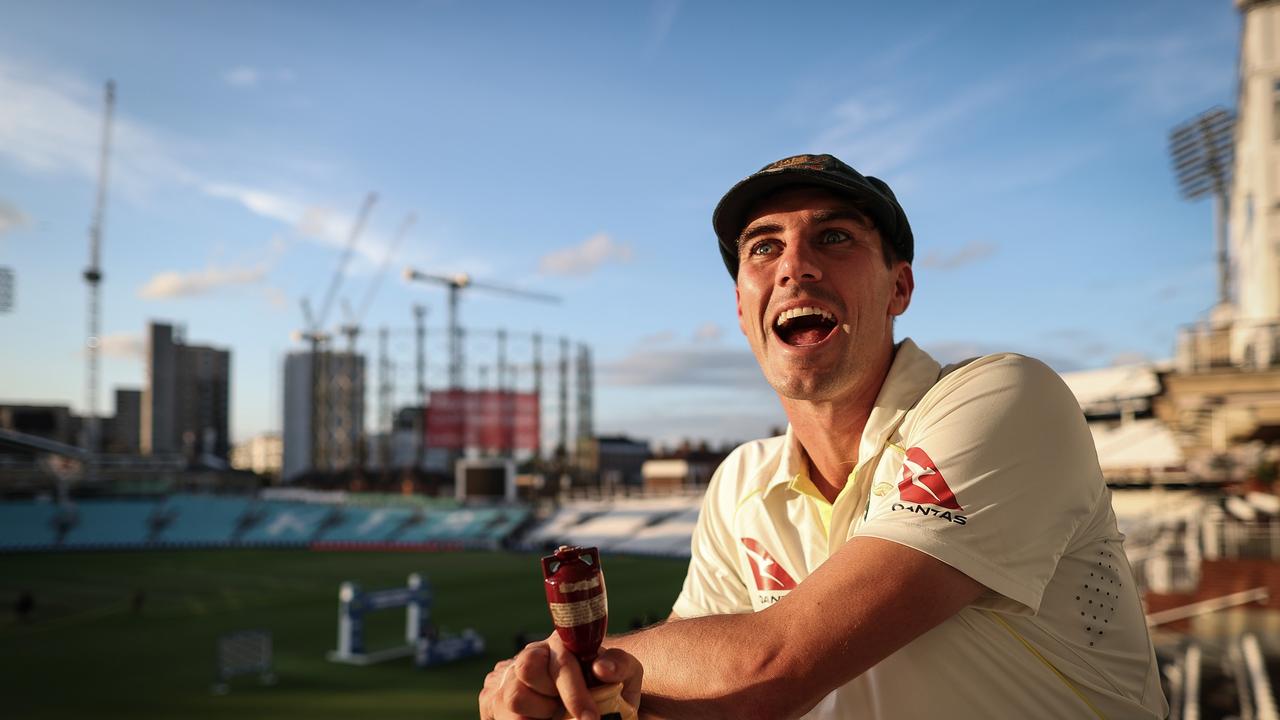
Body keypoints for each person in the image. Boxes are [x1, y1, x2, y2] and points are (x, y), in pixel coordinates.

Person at [480, 154, 1169, 719]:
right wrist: (553, 696)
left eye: (834, 238)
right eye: (764, 246)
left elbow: (770, 667)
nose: (795, 265)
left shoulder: (1006, 398)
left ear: (899, 286)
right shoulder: (740, 482)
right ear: (742, 305)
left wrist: (571, 669)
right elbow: (690, 697)